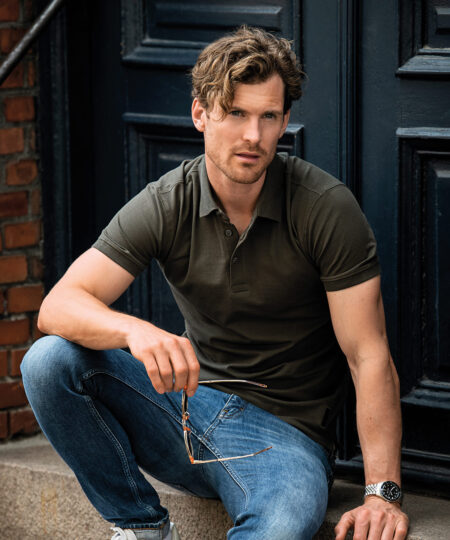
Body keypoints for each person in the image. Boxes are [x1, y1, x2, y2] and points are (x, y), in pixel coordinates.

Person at [21, 26, 409, 540]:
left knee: (280, 527)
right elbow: (59, 306)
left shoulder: (324, 207)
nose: (253, 135)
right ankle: (140, 527)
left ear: (284, 122)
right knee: (49, 361)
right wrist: (135, 331)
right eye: (236, 113)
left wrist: (382, 492)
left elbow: (369, 355)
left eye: (268, 116)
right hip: (185, 410)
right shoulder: (168, 201)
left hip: (286, 439)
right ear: (201, 114)